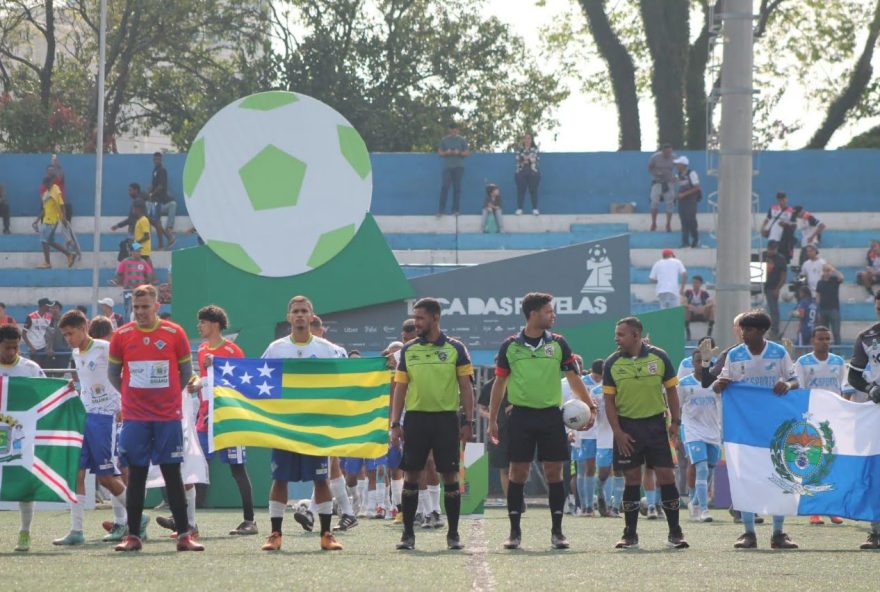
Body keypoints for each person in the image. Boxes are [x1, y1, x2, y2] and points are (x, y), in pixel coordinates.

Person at [489, 293, 597, 550]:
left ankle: (557, 533)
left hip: (551, 417)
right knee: (518, 473)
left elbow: (573, 379)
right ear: (534, 314)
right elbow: (499, 384)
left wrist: (590, 407)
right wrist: (492, 418)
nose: (553, 316)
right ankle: (514, 533)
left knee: (554, 473)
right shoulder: (510, 346)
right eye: (549, 312)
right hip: (521, 417)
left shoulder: (559, 343)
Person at [108, 284, 202, 552]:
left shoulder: (175, 333)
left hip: (167, 416)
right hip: (136, 417)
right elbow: (114, 375)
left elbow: (186, 372)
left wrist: (170, 397)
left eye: (145, 307)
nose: (139, 312)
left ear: (157, 306)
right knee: (136, 474)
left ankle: (184, 535)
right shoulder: (121, 335)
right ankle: (133, 536)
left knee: (172, 473)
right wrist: (131, 399)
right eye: (135, 307)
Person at [259, 295, 345, 552]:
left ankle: (327, 534)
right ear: (288, 317)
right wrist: (216, 367)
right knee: (280, 479)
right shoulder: (276, 348)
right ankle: (275, 534)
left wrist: (378, 367)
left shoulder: (326, 348)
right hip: (285, 426)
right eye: (295, 311)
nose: (299, 315)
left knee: (321, 480)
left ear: (311, 315)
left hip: (314, 426)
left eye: (303, 311)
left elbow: (346, 378)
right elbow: (256, 379)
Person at [390, 297, 475, 551]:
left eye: (420, 318)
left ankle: (453, 534)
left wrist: (468, 420)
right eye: (415, 318)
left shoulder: (455, 348)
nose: (416, 322)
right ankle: (407, 535)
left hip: (446, 420)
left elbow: (466, 387)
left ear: (435, 318)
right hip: (416, 419)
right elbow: (400, 388)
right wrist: (395, 423)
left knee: (449, 474)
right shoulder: (408, 350)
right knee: (412, 474)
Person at [712, 310, 799, 549]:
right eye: (742, 329)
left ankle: (778, 533)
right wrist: (720, 384)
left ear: (761, 331)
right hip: (743, 427)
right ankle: (748, 533)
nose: (743, 334)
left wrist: (787, 384)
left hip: (775, 425)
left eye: (748, 330)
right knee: (745, 477)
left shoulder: (779, 352)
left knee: (779, 476)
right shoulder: (735, 354)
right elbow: (720, 385)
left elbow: (795, 380)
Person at [602, 316, 687, 550]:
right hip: (627, 428)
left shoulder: (659, 357)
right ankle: (629, 535)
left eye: (621, 334)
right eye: (616, 334)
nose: (616, 338)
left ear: (635, 336)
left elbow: (672, 392)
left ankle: (675, 533)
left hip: (656, 426)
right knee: (631, 480)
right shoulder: (612, 363)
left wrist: (675, 423)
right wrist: (617, 432)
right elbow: (609, 402)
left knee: (666, 477)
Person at [52, 310, 131, 546]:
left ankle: (135, 517)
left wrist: (124, 404)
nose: (68, 339)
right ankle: (76, 530)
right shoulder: (76, 353)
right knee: (77, 472)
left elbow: (126, 372)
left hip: (106, 416)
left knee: (107, 476)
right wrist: (74, 384)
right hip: (85, 416)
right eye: (65, 335)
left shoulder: (105, 348)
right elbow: (87, 378)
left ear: (85, 327)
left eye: (71, 333)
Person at [178, 305, 257, 536]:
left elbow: (239, 382)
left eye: (202, 322)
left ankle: (250, 521)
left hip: (229, 419)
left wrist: (208, 377)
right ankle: (187, 521)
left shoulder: (232, 351)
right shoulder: (202, 349)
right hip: (204, 418)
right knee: (191, 464)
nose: (198, 326)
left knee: (237, 469)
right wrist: (196, 382)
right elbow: (204, 378)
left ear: (214, 324)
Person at [793, 325, 847, 526]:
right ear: (812, 341)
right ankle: (813, 509)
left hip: (834, 421)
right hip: (812, 422)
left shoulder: (838, 361)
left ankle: (832, 508)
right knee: (813, 465)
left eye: (827, 339)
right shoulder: (804, 362)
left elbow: (844, 390)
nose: (825, 342)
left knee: (832, 464)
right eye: (821, 339)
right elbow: (798, 391)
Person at [0, 323, 46, 552]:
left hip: (21, 436)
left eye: (15, 347)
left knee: (25, 485)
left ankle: (25, 532)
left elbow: (47, 396)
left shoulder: (30, 368)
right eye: (7, 348)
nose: (12, 352)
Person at [846, 292, 880, 549]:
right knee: (876, 471)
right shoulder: (867, 338)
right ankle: (876, 532)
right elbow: (855, 377)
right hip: (877, 410)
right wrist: (871, 389)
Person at [678, 349, 720, 523]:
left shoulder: (716, 383)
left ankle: (694, 501)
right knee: (700, 468)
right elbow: (677, 406)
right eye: (697, 361)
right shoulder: (684, 383)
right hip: (692, 430)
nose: (700, 364)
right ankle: (704, 509)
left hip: (713, 431)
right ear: (692, 363)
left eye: (704, 361)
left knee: (709, 470)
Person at [564, 358, 603, 516]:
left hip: (599, 431)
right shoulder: (581, 383)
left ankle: (592, 505)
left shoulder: (606, 383)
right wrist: (570, 430)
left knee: (594, 468)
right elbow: (570, 407)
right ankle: (584, 506)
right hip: (583, 431)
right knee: (583, 468)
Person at [36, 174, 76, 269]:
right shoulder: (46, 194)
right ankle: (69, 255)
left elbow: (61, 204)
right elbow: (45, 209)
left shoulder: (55, 189)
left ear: (51, 182)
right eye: (45, 183)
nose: (47, 185)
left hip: (52, 221)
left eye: (48, 183)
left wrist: (64, 218)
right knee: (49, 241)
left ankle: (47, 262)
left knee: (44, 240)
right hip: (46, 220)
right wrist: (37, 220)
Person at [112, 242, 155, 321]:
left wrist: (145, 283)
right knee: (128, 310)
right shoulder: (125, 262)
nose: (138, 253)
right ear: (131, 252)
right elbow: (118, 274)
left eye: (139, 251)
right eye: (137, 251)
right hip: (128, 290)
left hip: (140, 291)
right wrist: (121, 283)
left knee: (140, 308)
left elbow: (149, 274)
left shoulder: (143, 262)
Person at [437, 123, 469, 216]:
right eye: (452, 130)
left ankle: (455, 210)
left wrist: (458, 152)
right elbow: (439, 153)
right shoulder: (444, 140)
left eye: (456, 130)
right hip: (447, 167)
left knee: (457, 188)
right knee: (445, 187)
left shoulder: (462, 140)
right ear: (449, 130)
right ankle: (441, 210)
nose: (454, 132)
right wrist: (447, 152)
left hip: (459, 167)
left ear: (458, 130)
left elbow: (467, 153)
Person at [148, 152, 176, 250]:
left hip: (158, 200)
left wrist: (152, 193)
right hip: (154, 200)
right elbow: (154, 184)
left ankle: (161, 244)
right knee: (154, 221)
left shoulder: (162, 171)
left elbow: (161, 186)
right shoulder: (154, 170)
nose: (156, 161)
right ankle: (168, 237)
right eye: (155, 159)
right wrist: (149, 191)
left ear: (161, 160)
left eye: (158, 159)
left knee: (156, 221)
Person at [647, 143, 676, 232]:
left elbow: (679, 168)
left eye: (670, 152)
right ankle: (654, 223)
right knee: (654, 202)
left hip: (669, 182)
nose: (669, 154)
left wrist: (675, 177)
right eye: (667, 152)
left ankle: (668, 224)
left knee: (670, 203)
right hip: (657, 182)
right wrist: (655, 174)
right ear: (663, 151)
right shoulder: (655, 157)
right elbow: (649, 167)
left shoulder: (674, 158)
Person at [674, 156, 701, 248]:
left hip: (690, 200)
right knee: (683, 220)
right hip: (682, 201)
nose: (676, 165)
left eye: (678, 164)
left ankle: (696, 240)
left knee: (691, 220)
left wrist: (684, 194)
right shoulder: (678, 175)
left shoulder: (691, 173)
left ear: (683, 165)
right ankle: (685, 242)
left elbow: (697, 187)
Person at [763, 240, 788, 339]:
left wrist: (777, 288)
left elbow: (783, 275)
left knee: (774, 310)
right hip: (761, 285)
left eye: (772, 249)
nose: (770, 251)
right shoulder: (763, 255)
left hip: (772, 287)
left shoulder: (780, 259)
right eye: (769, 249)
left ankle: (774, 331)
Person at [761, 192, 796, 261]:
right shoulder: (772, 208)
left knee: (782, 259)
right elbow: (767, 219)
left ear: (786, 199)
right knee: (770, 259)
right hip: (772, 238)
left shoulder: (791, 211)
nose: (781, 201)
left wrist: (785, 225)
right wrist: (762, 229)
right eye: (779, 200)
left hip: (784, 240)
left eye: (783, 199)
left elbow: (794, 226)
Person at [815, 264, 843, 345]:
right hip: (823, 309)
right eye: (825, 270)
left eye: (828, 271)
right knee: (824, 333)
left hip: (833, 309)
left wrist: (834, 270)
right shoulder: (820, 282)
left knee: (836, 332)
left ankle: (839, 353)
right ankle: (827, 351)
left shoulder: (834, 280)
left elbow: (841, 277)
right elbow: (818, 297)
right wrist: (818, 310)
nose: (826, 272)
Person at [514, 132, 540, 215]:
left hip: (533, 172)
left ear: (531, 140)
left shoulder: (535, 149)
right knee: (521, 190)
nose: (527, 140)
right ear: (523, 140)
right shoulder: (519, 149)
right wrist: (527, 158)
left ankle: (535, 209)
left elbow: (534, 158)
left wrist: (526, 158)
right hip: (521, 172)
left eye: (529, 138)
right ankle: (519, 209)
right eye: (525, 138)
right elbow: (518, 158)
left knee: (533, 190)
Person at [22, 297, 53, 367]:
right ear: (43, 306)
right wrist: (31, 347)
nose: (50, 307)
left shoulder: (49, 317)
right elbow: (23, 334)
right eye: (48, 305)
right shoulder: (31, 317)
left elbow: (50, 334)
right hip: (34, 349)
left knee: (45, 369)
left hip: (44, 348)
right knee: (36, 368)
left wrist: (50, 347)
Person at [683, 275, 714, 341]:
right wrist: (690, 306)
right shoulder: (688, 292)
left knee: (712, 309)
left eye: (697, 283)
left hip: (702, 314)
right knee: (686, 309)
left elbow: (712, 303)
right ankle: (687, 330)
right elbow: (683, 302)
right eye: (693, 282)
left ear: (700, 284)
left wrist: (703, 307)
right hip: (691, 314)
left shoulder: (704, 293)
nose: (695, 284)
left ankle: (709, 330)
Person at [131, 201, 153, 267]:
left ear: (137, 209)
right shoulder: (139, 220)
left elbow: (147, 236)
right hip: (139, 250)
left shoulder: (143, 220)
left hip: (143, 250)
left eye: (133, 209)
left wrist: (136, 243)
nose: (132, 211)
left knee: (145, 270)